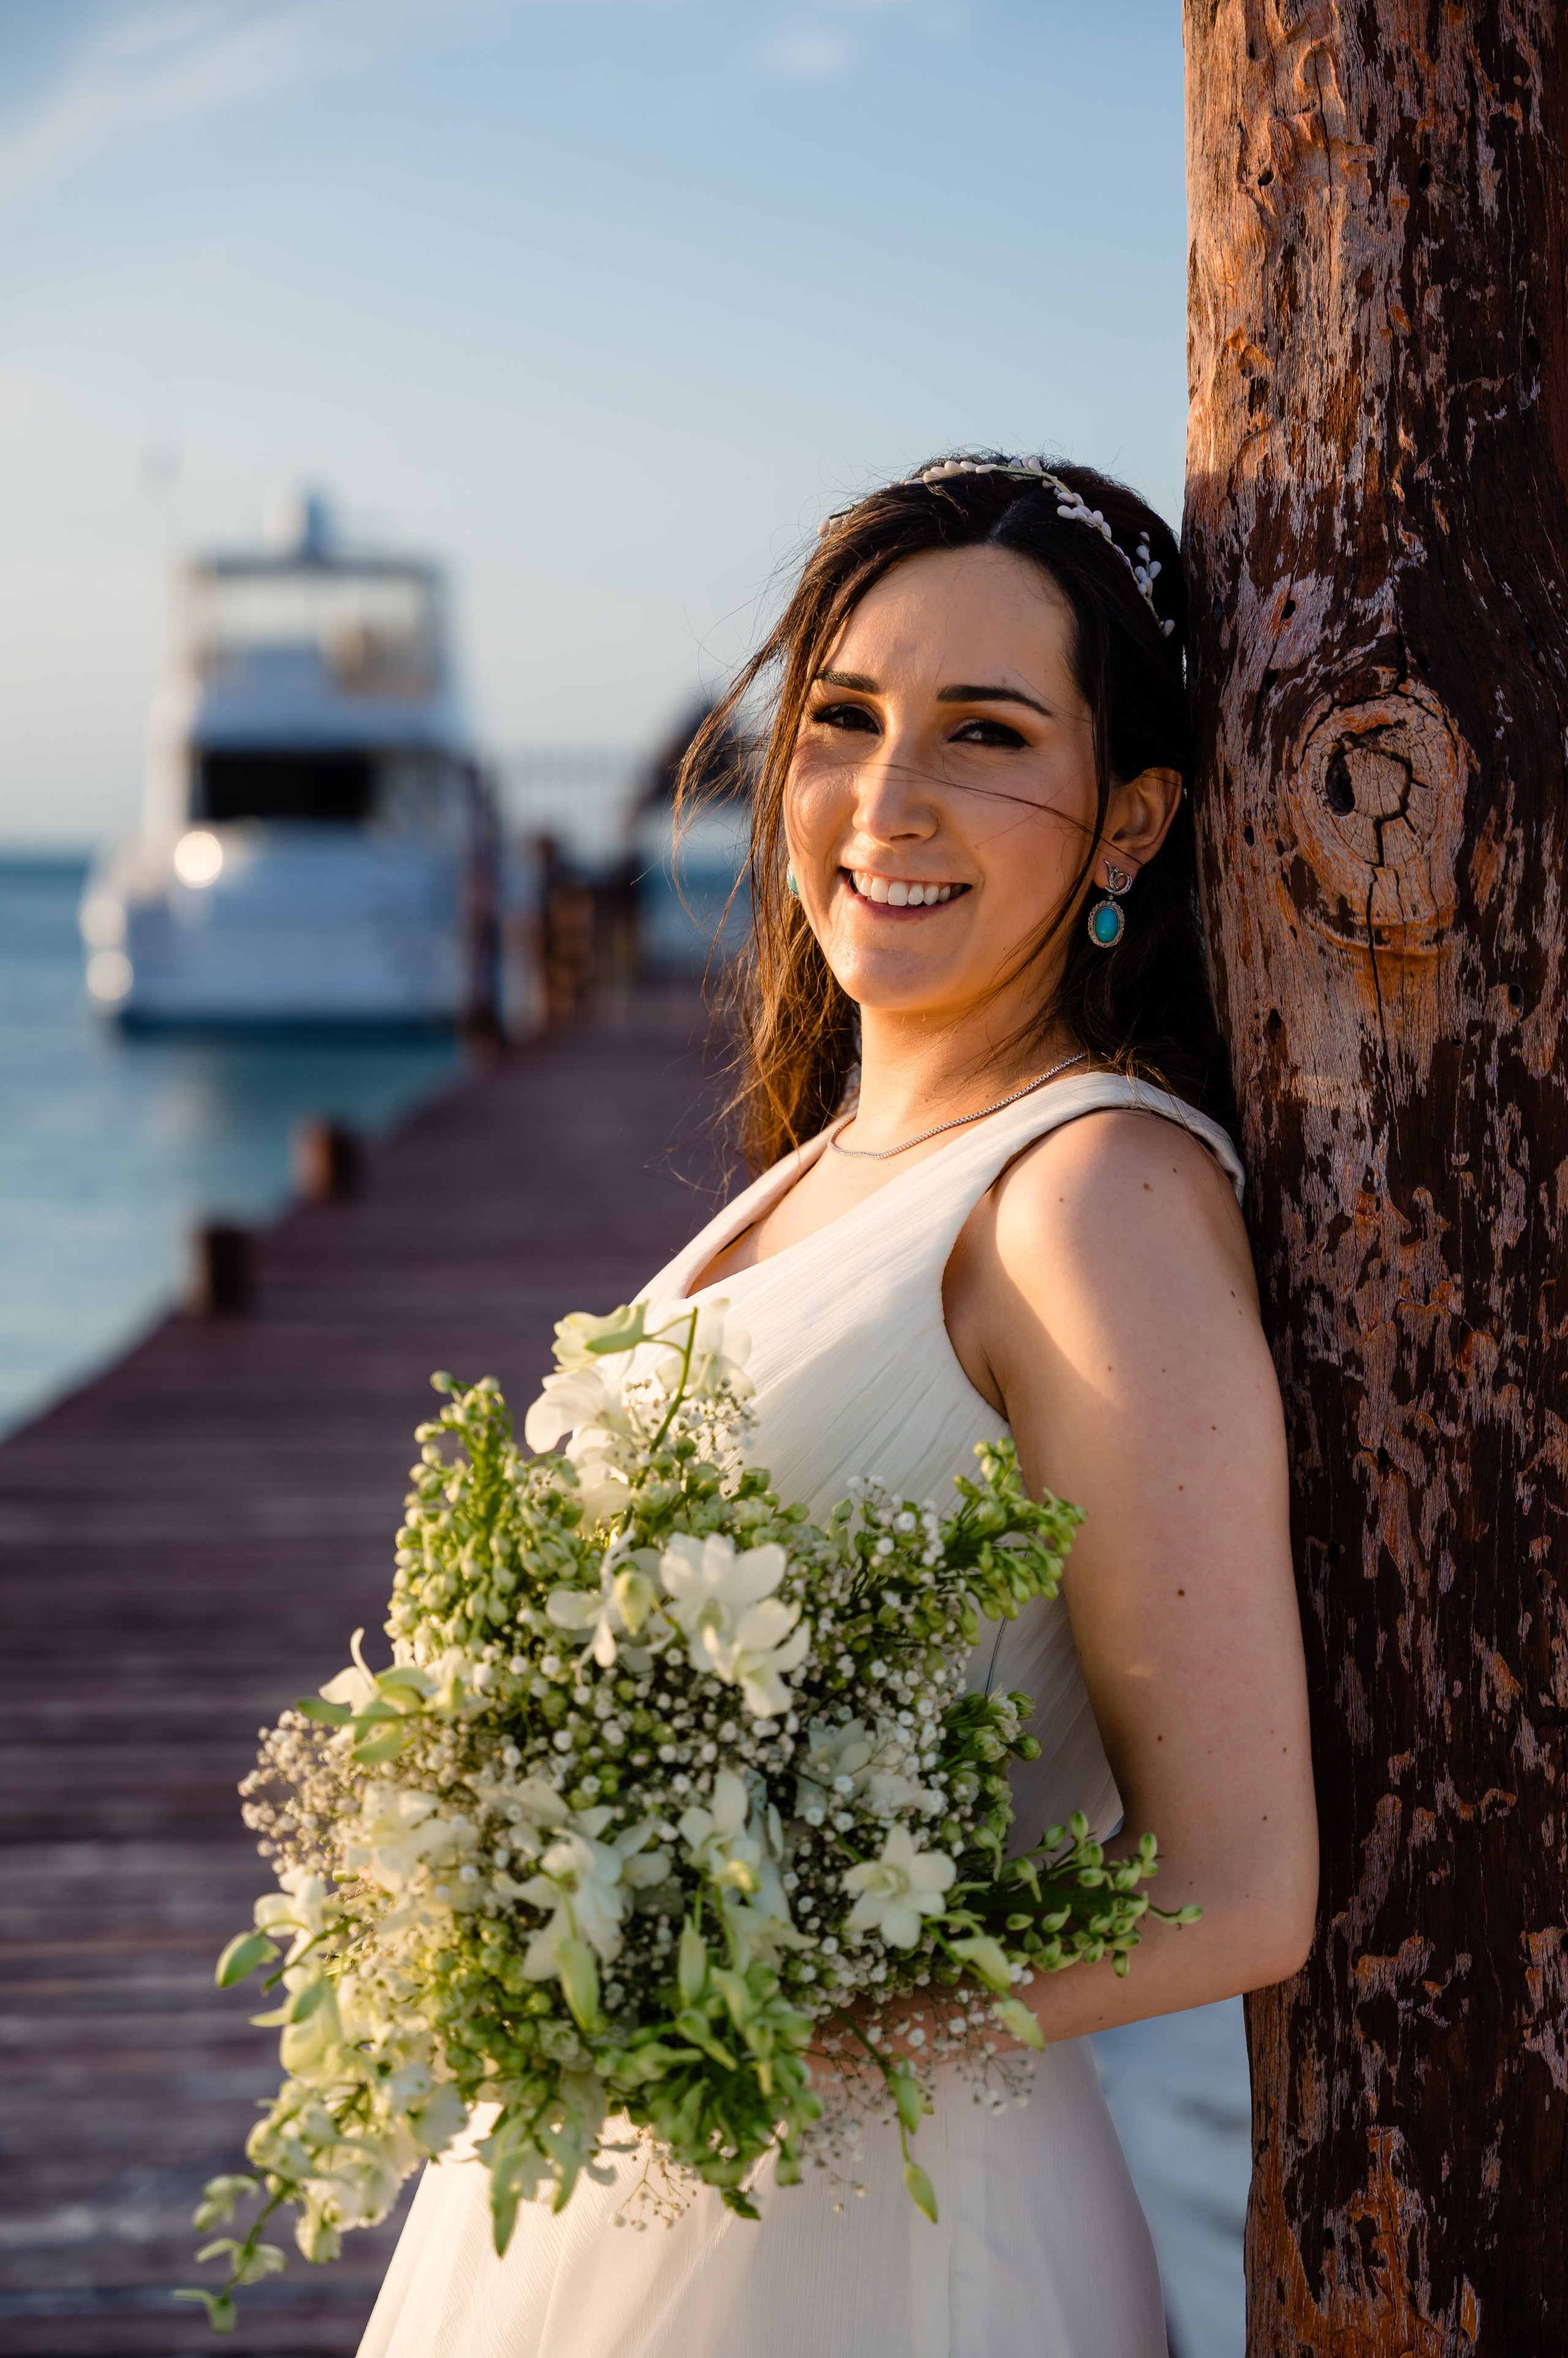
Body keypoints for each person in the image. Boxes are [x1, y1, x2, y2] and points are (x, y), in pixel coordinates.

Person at [358, 453, 1317, 2357]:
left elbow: (1242, 1890)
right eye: (846, 718)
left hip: (870, 2228)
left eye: (985, 734)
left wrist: (774, 2021)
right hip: (604, 2178)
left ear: (1130, 821)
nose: (887, 800)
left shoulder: (1092, 1203)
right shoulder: (812, 1170)